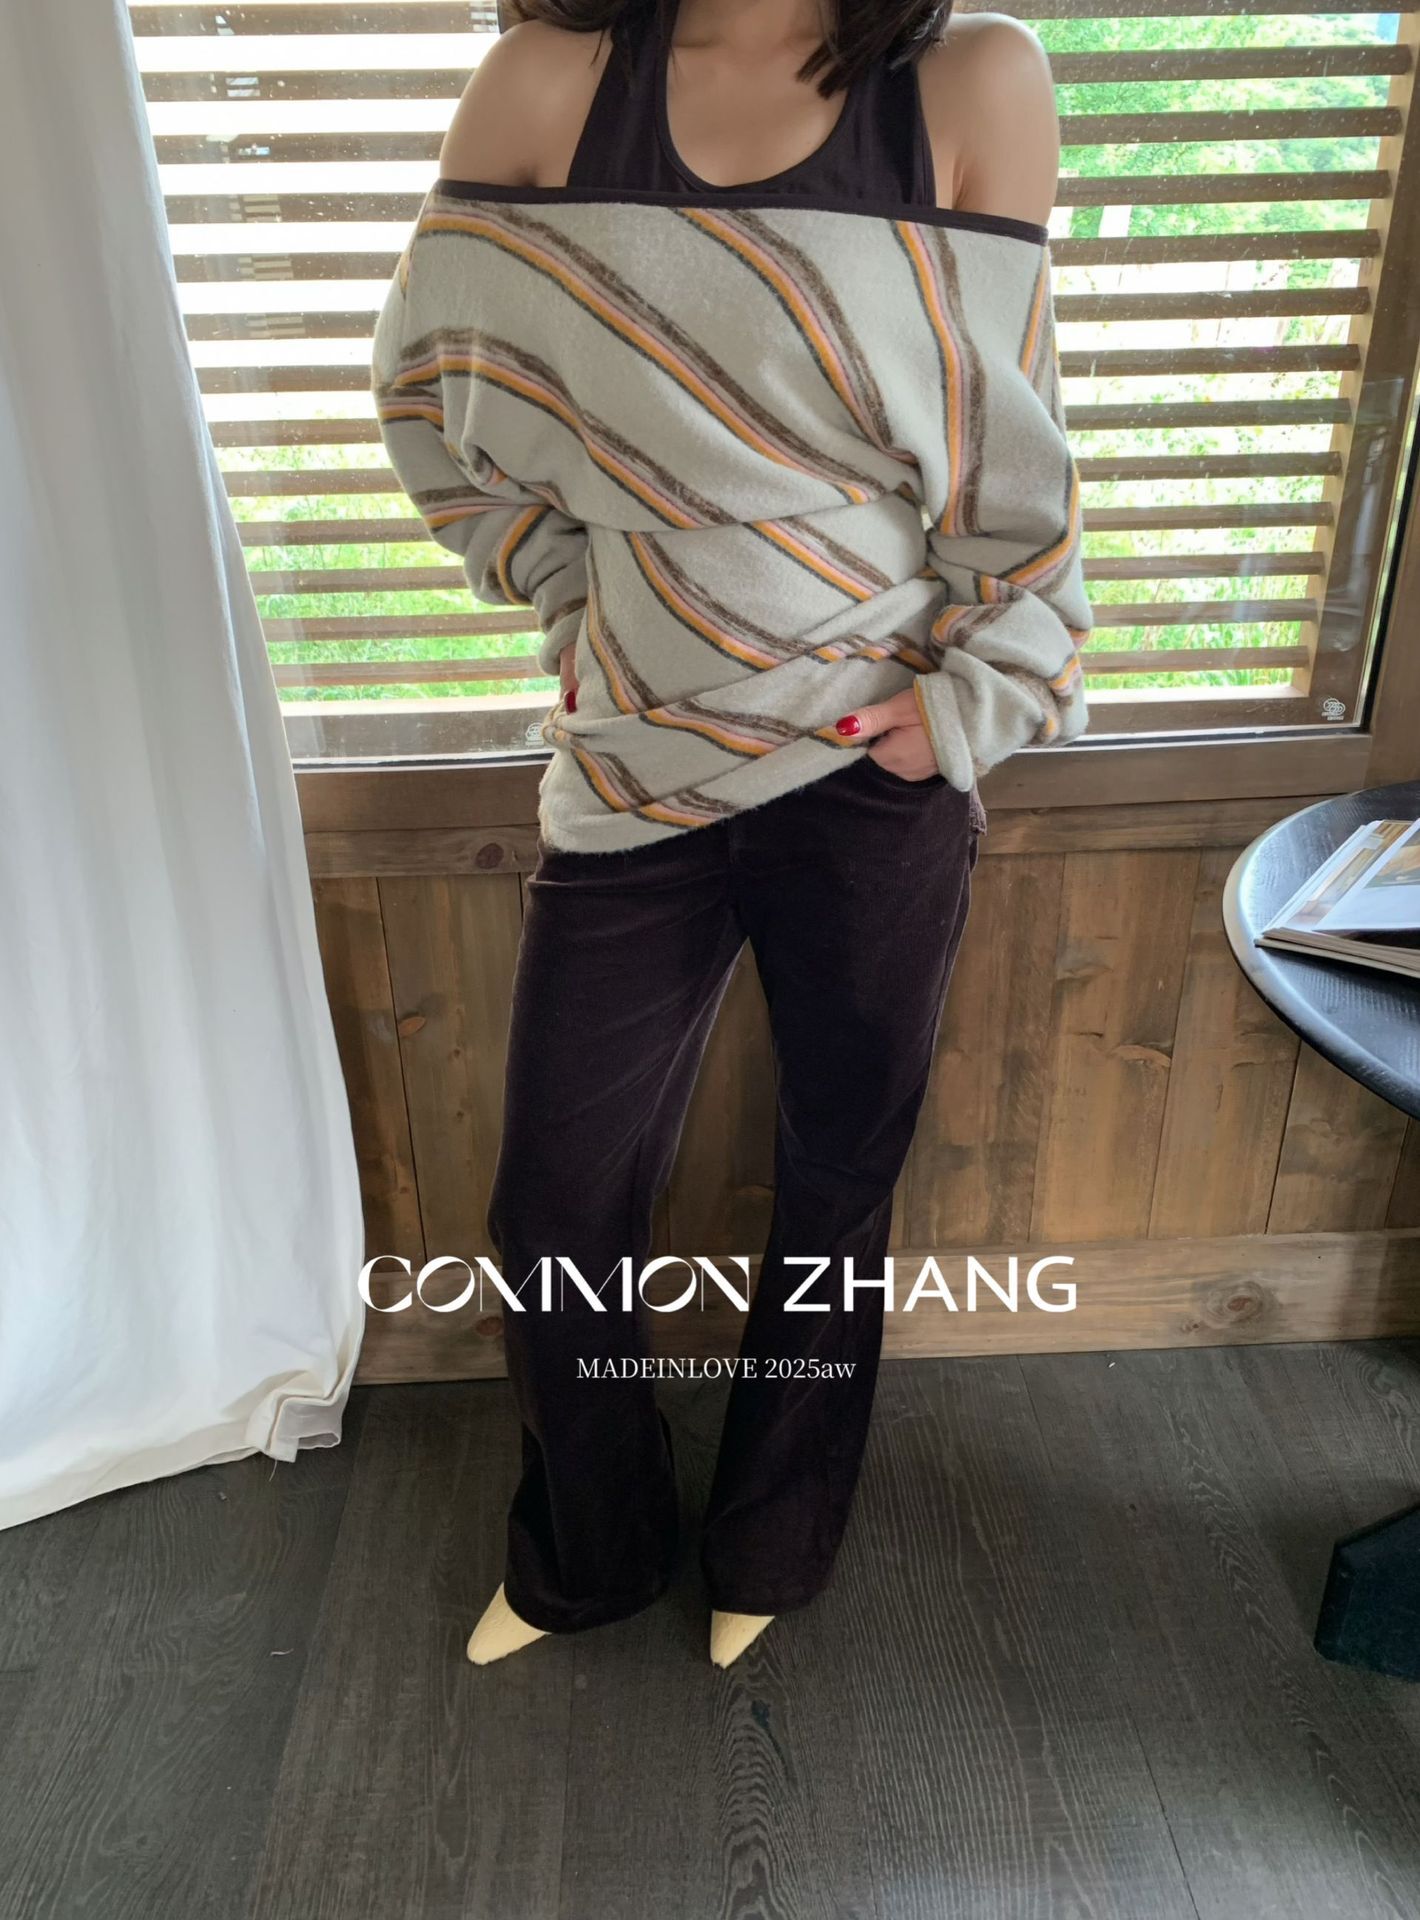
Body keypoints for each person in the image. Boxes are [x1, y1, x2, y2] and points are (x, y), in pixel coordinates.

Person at [372, 0, 1090, 1669]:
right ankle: (591, 1548)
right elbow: (431, 398)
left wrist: (967, 704)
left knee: (841, 1173)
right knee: (557, 1203)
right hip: (639, 754)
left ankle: (773, 1542)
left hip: (875, 755)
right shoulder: (549, 80)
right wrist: (579, 602)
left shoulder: (970, 80)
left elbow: (1009, 439)